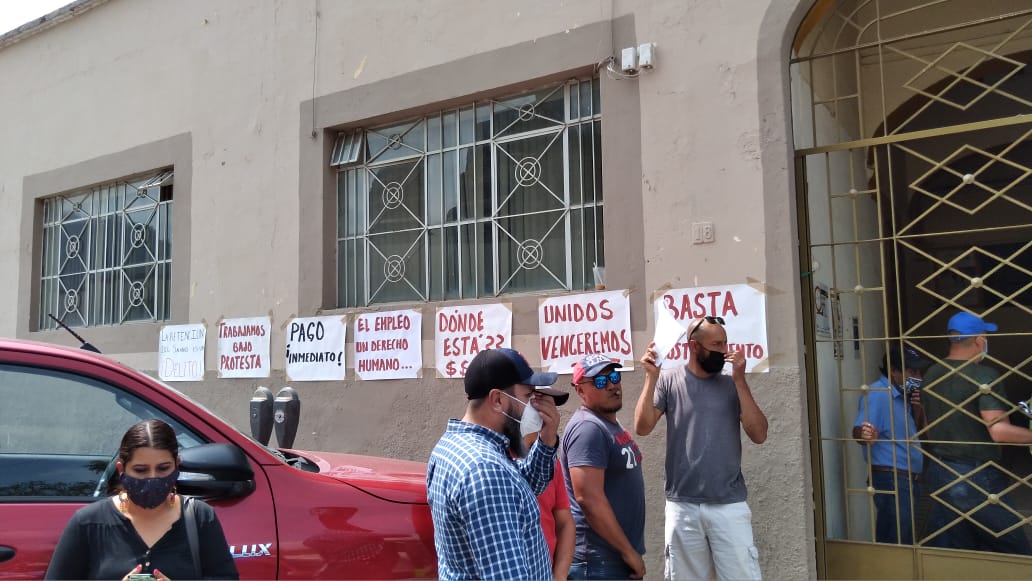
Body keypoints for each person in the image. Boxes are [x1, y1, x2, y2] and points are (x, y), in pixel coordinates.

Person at [635, 316, 768, 581]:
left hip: (728, 505)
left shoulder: (732, 384)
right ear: (694, 346)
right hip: (682, 505)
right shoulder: (670, 380)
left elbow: (759, 434)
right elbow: (642, 427)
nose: (724, 350)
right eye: (716, 345)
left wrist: (740, 381)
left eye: (725, 343)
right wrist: (651, 377)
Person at [427, 347, 565, 580]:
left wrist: (546, 440)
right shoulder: (485, 470)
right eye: (528, 396)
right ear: (498, 399)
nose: (535, 406)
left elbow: (525, 488)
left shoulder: (455, 446)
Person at [46, 419, 238, 580]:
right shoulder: (88, 523)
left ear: (176, 466)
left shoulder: (199, 517)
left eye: (163, 468)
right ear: (121, 470)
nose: (152, 478)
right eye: (141, 470)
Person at [921, 311, 1032, 555]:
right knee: (1016, 550)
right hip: (975, 475)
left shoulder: (931, 374)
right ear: (980, 340)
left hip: (940, 471)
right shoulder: (983, 376)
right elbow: (999, 431)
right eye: (985, 336)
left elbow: (928, 428)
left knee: (956, 552)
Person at [562, 354, 646, 580]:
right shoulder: (588, 429)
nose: (611, 386)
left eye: (614, 377)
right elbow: (588, 498)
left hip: (612, 560)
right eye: (600, 381)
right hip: (597, 563)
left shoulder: (607, 423)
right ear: (580, 390)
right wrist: (628, 552)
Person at [851, 345, 928, 544]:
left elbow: (918, 434)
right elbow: (859, 431)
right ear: (894, 371)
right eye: (912, 372)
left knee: (903, 538)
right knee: (896, 541)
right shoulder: (878, 394)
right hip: (892, 478)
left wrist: (918, 410)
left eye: (919, 372)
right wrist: (866, 434)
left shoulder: (903, 397)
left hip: (907, 478)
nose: (918, 378)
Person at [523, 390, 575, 581]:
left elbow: (565, 522)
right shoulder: (494, 460)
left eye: (548, 404)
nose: (545, 411)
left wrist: (559, 575)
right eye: (534, 401)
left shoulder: (550, 462)